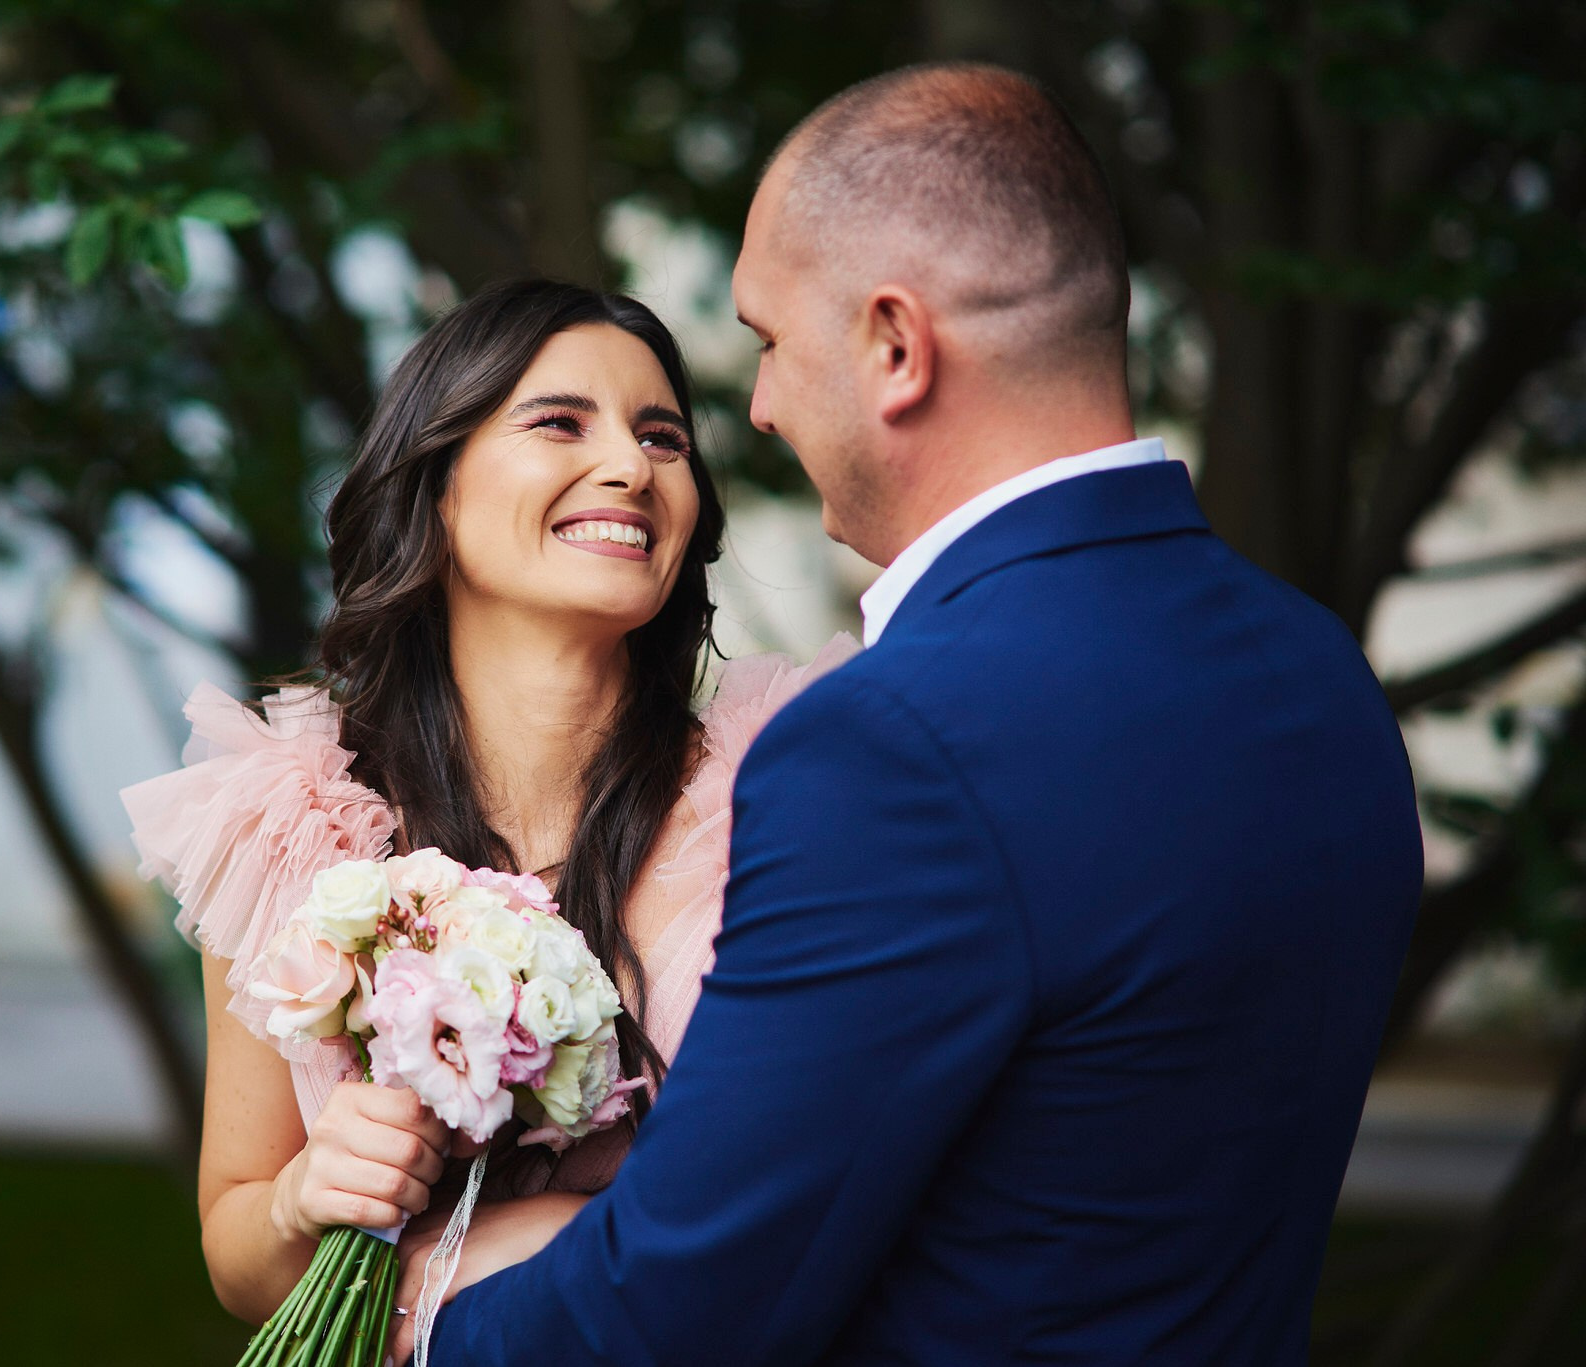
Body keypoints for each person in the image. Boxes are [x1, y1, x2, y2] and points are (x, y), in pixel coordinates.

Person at [415, 62, 1424, 1365]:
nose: (763, 405)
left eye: (772, 340)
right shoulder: (1316, 671)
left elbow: (676, 1309)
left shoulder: (898, 745)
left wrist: (423, 1310)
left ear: (895, 346)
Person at [120, 279, 855, 1327]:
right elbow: (238, 1255)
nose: (627, 468)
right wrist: (301, 1197)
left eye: (662, 438)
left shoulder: (784, 797)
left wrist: (547, 1237)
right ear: (437, 485)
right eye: (559, 422)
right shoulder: (284, 827)